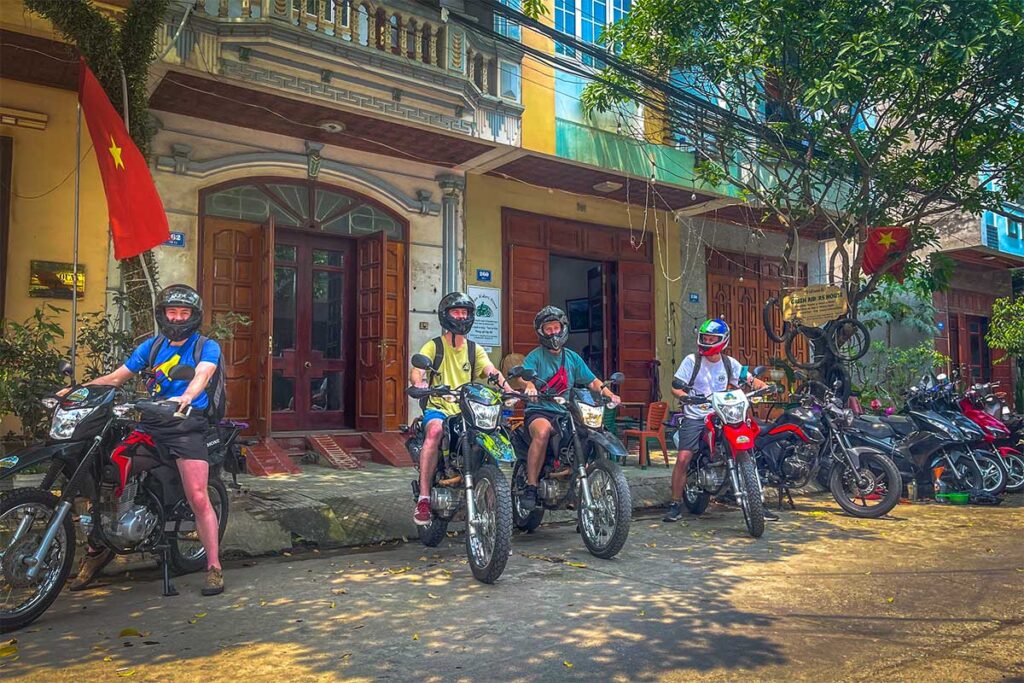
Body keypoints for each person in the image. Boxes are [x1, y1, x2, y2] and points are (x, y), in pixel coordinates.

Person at [65, 284, 226, 595]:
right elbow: (116, 377)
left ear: (194, 316)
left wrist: (186, 397)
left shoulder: (206, 346)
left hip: (186, 425)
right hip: (151, 426)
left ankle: (214, 566)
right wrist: (77, 392)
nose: (178, 319)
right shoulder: (151, 347)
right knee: (109, 468)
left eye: (185, 313)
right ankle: (101, 546)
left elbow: (202, 375)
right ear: (162, 314)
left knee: (198, 496)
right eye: (172, 312)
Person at [410, 292, 511, 525]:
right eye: (457, 312)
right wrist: (420, 383)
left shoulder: (474, 349)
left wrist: (507, 389)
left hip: (467, 410)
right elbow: (418, 369)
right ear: (445, 316)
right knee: (434, 432)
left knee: (490, 437)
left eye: (465, 312)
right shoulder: (434, 346)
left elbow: (491, 372)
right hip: (440, 407)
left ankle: (499, 509)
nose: (462, 316)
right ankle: (424, 498)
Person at [663, 318, 774, 523]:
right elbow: (675, 387)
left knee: (750, 450)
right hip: (696, 414)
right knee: (683, 458)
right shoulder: (691, 361)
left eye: (712, 338)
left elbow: (749, 379)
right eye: (705, 337)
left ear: (722, 340)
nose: (707, 341)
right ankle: (675, 503)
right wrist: (684, 396)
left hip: (724, 414)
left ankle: (758, 501)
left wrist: (762, 386)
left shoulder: (729, 363)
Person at [520, 306, 620, 510]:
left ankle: (577, 482)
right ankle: (531, 485)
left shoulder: (572, 358)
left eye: (556, 327)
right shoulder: (536, 356)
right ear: (541, 332)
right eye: (548, 329)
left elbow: (592, 381)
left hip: (565, 411)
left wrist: (609, 394)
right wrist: (529, 385)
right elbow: (523, 375)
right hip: (540, 409)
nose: (553, 332)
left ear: (563, 328)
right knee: (543, 431)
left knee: (587, 432)